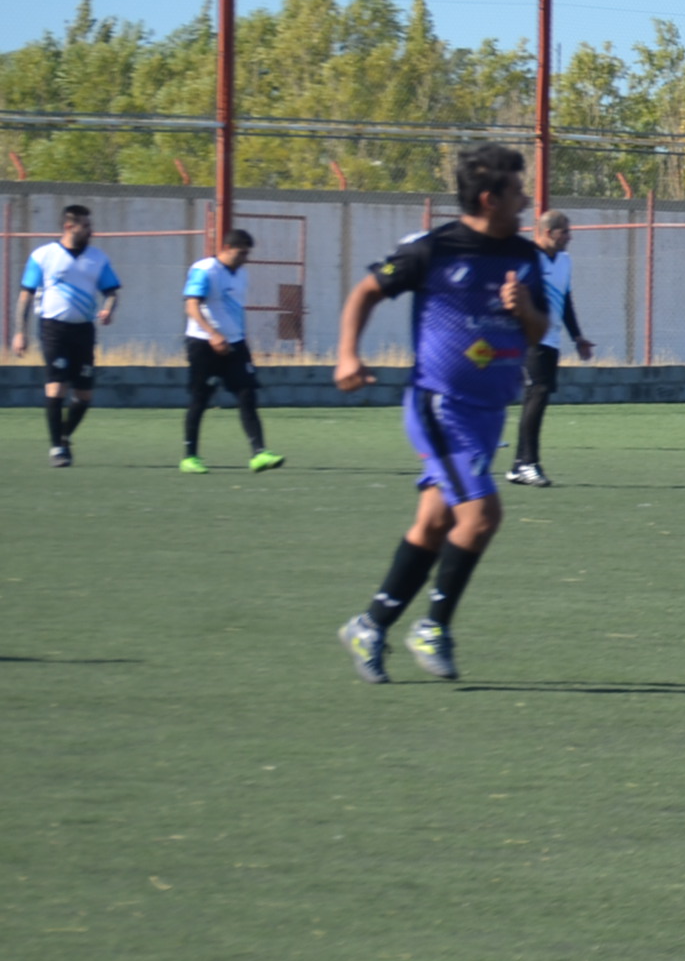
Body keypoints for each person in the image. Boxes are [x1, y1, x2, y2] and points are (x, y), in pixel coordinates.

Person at [334, 144, 549, 683]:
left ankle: (371, 624)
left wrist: (522, 308)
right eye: (518, 191)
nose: (526, 200)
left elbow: (540, 329)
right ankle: (433, 626)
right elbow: (366, 291)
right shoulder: (433, 250)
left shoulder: (524, 256)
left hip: (487, 413)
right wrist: (347, 355)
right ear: (487, 198)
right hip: (439, 406)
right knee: (481, 516)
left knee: (433, 524)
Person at [14, 204, 120, 467]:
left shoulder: (98, 258)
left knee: (84, 396)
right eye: (85, 225)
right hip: (54, 328)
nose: (90, 230)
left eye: (90, 225)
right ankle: (56, 449)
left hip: (83, 330)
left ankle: (64, 435)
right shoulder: (44, 256)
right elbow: (26, 294)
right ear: (69, 226)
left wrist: (108, 309)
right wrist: (20, 332)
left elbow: (112, 292)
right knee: (57, 386)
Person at [179, 229, 282, 473]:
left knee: (247, 394)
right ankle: (190, 457)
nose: (246, 258)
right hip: (203, 343)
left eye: (248, 253)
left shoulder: (242, 274)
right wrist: (213, 334)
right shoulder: (205, 269)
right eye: (242, 252)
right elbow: (191, 305)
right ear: (226, 248)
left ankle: (259, 453)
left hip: (235, 344)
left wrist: (237, 337)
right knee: (200, 399)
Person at [507, 210, 595, 488]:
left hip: (552, 340)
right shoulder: (527, 259)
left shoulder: (565, 261)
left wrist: (577, 337)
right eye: (564, 231)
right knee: (538, 394)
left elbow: (565, 301)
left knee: (537, 398)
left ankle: (518, 465)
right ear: (548, 233)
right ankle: (529, 464)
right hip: (529, 339)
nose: (569, 236)